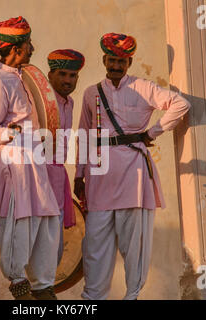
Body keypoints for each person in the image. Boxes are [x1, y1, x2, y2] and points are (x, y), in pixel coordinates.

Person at [74, 33, 191, 300]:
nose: (116, 66)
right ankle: (93, 298)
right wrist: (79, 174)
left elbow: (180, 104)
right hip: (99, 175)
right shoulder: (91, 92)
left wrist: (152, 133)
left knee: (134, 244)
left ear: (129, 62)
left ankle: (132, 296)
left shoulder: (144, 87)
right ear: (104, 59)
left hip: (133, 175)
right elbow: (83, 135)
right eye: (112, 60)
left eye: (122, 61)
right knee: (95, 245)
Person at [0, 16, 60, 300]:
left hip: (34, 158)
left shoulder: (20, 77)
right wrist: (11, 133)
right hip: (14, 159)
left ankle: (43, 286)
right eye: (28, 45)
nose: (32, 49)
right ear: (16, 49)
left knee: (46, 219)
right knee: (20, 219)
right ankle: (19, 286)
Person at [46, 49, 85, 264]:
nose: (67, 80)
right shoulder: (41, 101)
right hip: (39, 177)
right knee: (39, 244)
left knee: (55, 248)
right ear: (50, 75)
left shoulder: (70, 103)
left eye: (72, 76)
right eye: (62, 74)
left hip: (58, 177)